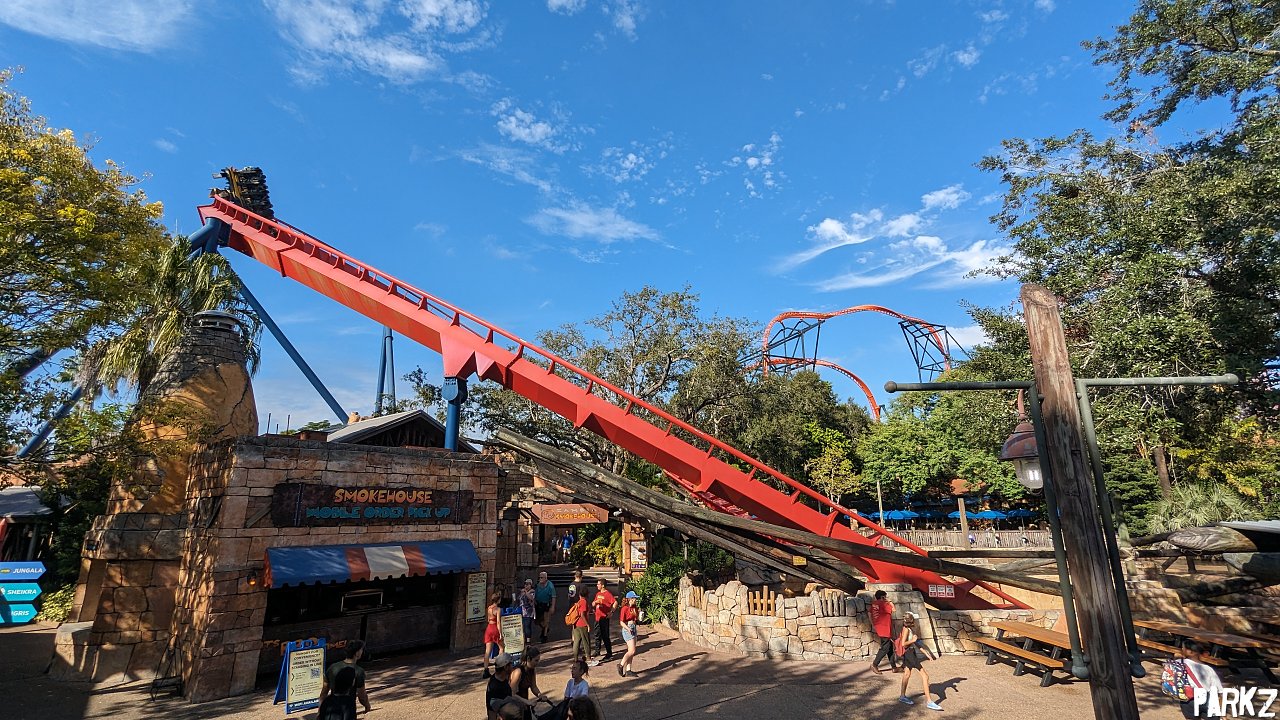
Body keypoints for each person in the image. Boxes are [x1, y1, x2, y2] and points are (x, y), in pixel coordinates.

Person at [896, 613, 942, 711]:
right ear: (911, 621)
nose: (915, 622)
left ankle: (902, 696)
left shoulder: (909, 629)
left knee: (907, 674)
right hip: (909, 654)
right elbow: (904, 644)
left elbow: (916, 643)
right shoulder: (906, 629)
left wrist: (927, 654)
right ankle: (929, 702)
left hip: (910, 653)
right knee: (925, 676)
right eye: (914, 620)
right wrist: (913, 640)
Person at [319, 640, 372, 715]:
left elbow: (324, 693)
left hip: (331, 709)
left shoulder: (332, 667)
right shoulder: (358, 671)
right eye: (361, 650)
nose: (362, 652)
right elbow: (362, 696)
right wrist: (367, 706)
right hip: (347, 709)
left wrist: (320, 712)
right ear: (357, 653)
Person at [1180, 642, 1224, 719]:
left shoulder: (1180, 663)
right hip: (1207, 701)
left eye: (1184, 648)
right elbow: (1219, 692)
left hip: (1189, 700)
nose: (1182, 649)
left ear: (1191, 652)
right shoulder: (1209, 669)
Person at [868, 590, 899, 674]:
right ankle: (874, 664)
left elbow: (869, 613)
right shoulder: (884, 604)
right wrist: (889, 601)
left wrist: (873, 624)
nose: (886, 598)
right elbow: (894, 609)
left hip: (879, 627)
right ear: (882, 597)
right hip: (885, 628)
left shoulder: (874, 604)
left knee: (889, 647)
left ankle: (894, 667)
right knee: (885, 648)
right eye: (885, 596)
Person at [591, 578, 615, 663]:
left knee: (605, 636)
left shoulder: (608, 594)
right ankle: (597, 651)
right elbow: (593, 603)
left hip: (604, 618)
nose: (597, 585)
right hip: (597, 618)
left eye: (598, 584)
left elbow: (615, 602)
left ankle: (609, 653)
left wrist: (611, 612)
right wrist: (595, 603)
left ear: (603, 585)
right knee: (597, 635)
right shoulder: (598, 594)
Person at [486, 653, 517, 720]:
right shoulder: (494, 687)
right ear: (505, 667)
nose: (512, 666)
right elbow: (492, 712)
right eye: (511, 664)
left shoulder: (503, 678)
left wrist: (525, 702)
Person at [618, 590, 640, 677]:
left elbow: (636, 618)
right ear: (630, 599)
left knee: (631, 651)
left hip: (633, 628)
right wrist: (628, 629)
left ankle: (628, 670)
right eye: (634, 598)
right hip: (627, 629)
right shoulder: (625, 608)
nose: (635, 600)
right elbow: (621, 622)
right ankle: (621, 665)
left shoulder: (634, 608)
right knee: (632, 650)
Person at [568, 581, 591, 662]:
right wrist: (587, 624)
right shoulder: (584, 602)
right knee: (586, 641)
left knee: (576, 641)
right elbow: (582, 614)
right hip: (582, 624)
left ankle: (575, 658)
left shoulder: (578, 602)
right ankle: (588, 657)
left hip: (576, 623)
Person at [484, 590, 505, 677]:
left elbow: (488, 619)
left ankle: (485, 670)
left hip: (489, 628)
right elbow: (498, 622)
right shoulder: (498, 609)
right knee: (502, 648)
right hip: (495, 628)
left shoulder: (489, 608)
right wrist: (500, 633)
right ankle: (499, 666)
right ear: (498, 600)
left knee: (487, 651)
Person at [535, 571, 556, 642]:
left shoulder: (550, 586)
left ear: (546, 578)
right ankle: (545, 628)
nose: (540, 579)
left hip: (546, 604)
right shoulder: (537, 585)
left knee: (546, 620)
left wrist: (553, 606)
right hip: (538, 604)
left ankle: (544, 635)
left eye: (541, 577)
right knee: (537, 621)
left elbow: (553, 597)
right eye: (539, 577)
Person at [520, 578, 538, 644]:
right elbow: (520, 599)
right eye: (525, 584)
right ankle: (524, 639)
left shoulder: (532, 591)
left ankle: (528, 641)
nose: (526, 586)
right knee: (524, 626)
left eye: (528, 584)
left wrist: (526, 592)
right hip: (523, 611)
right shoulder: (523, 592)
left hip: (529, 612)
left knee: (527, 625)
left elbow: (531, 598)